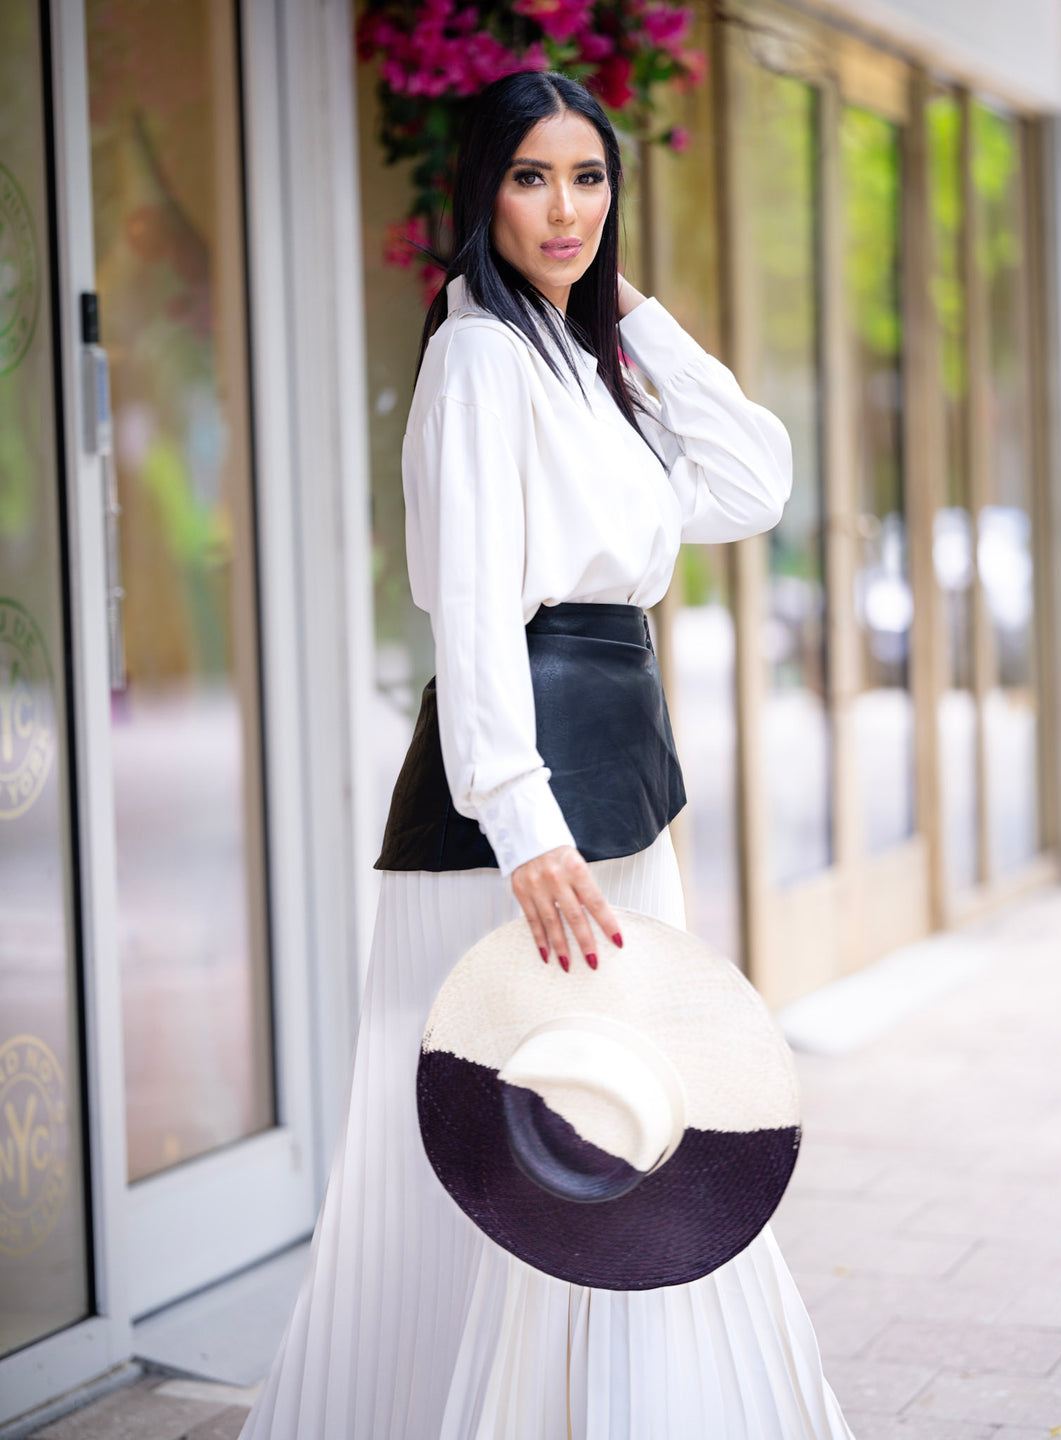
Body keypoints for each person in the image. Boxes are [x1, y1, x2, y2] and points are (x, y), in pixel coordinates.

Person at [238, 68, 855, 1440]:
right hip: (522, 811)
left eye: (590, 177)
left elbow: (755, 482)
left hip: (616, 786)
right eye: (533, 177)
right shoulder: (477, 353)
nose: (566, 206)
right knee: (532, 1152)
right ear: (482, 191)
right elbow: (470, 606)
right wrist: (523, 823)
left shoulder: (580, 357)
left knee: (627, 1129)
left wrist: (633, 315)